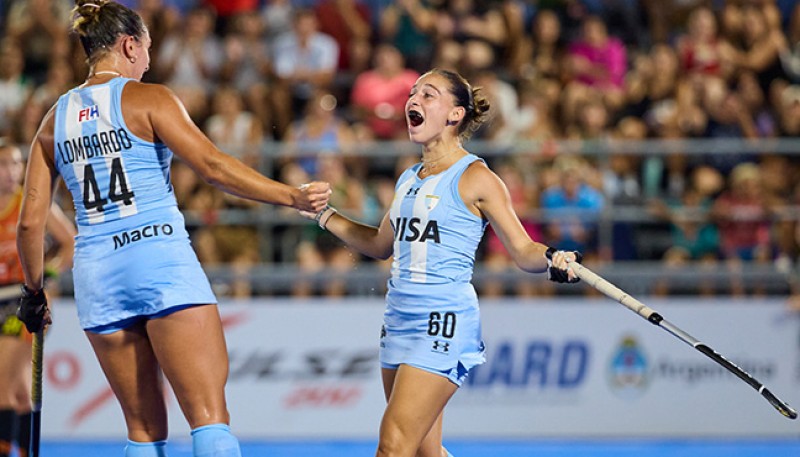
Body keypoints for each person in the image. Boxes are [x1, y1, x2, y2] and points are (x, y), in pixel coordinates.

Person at [15, 2, 331, 457]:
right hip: (158, 258)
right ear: (128, 45)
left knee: (143, 431)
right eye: (145, 48)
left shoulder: (53, 120)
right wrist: (291, 196)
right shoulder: (150, 98)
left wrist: (33, 292)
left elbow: (30, 222)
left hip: (97, 273)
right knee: (209, 421)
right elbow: (212, 166)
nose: (147, 60)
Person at [299, 68, 582, 457]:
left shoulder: (477, 177)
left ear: (455, 114)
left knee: (393, 446)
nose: (413, 100)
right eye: (413, 93)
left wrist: (554, 258)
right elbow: (381, 244)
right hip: (399, 318)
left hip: (443, 319)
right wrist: (322, 214)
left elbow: (522, 249)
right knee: (423, 451)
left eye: (428, 95)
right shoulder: (408, 178)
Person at [0, 141, 75, 457]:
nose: (11, 171)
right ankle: (27, 451)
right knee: (18, 391)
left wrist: (49, 276)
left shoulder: (30, 204)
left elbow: (71, 242)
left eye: (17, 164)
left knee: (2, 386)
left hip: (23, 300)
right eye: (4, 164)